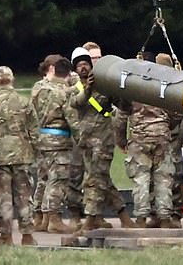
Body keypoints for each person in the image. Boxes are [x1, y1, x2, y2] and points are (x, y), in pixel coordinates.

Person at [69, 47, 136, 232]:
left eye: (86, 64)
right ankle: (123, 215)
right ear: (75, 69)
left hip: (103, 140)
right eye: (79, 65)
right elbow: (76, 103)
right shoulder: (74, 89)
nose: (83, 68)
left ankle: (91, 219)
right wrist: (88, 89)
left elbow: (124, 106)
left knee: (95, 179)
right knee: (102, 179)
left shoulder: (104, 84)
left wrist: (123, 92)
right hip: (86, 142)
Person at [115, 53, 182, 228]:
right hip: (162, 137)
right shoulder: (164, 85)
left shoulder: (131, 85)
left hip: (139, 139)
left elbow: (121, 116)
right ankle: (165, 219)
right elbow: (177, 114)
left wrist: (121, 140)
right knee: (164, 179)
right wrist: (166, 126)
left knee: (141, 179)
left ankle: (141, 219)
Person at [0, 66, 39, 246]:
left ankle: (5, 235)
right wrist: (35, 151)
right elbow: (34, 130)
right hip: (22, 154)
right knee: (24, 195)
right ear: (12, 80)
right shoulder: (25, 102)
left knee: (2, 196)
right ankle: (27, 235)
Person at [32, 57, 83, 234]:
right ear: (68, 73)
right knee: (58, 180)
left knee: (43, 180)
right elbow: (72, 121)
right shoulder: (65, 93)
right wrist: (82, 140)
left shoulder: (39, 89)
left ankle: (41, 218)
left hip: (41, 140)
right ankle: (54, 218)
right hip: (59, 142)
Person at [31, 54, 62, 230]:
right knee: (53, 178)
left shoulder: (36, 87)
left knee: (42, 178)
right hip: (54, 138)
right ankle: (49, 217)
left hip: (39, 137)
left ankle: (39, 216)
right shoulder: (51, 88)